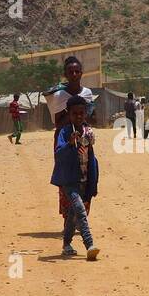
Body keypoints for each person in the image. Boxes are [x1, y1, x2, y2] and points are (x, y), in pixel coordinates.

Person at [51, 96, 100, 261]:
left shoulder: (89, 131)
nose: (78, 116)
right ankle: (89, 244)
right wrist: (69, 144)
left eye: (81, 113)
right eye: (75, 113)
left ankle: (66, 244)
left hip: (85, 179)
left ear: (85, 113)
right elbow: (58, 154)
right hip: (69, 180)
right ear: (69, 114)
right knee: (79, 209)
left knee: (73, 214)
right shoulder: (64, 132)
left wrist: (93, 182)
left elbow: (92, 157)